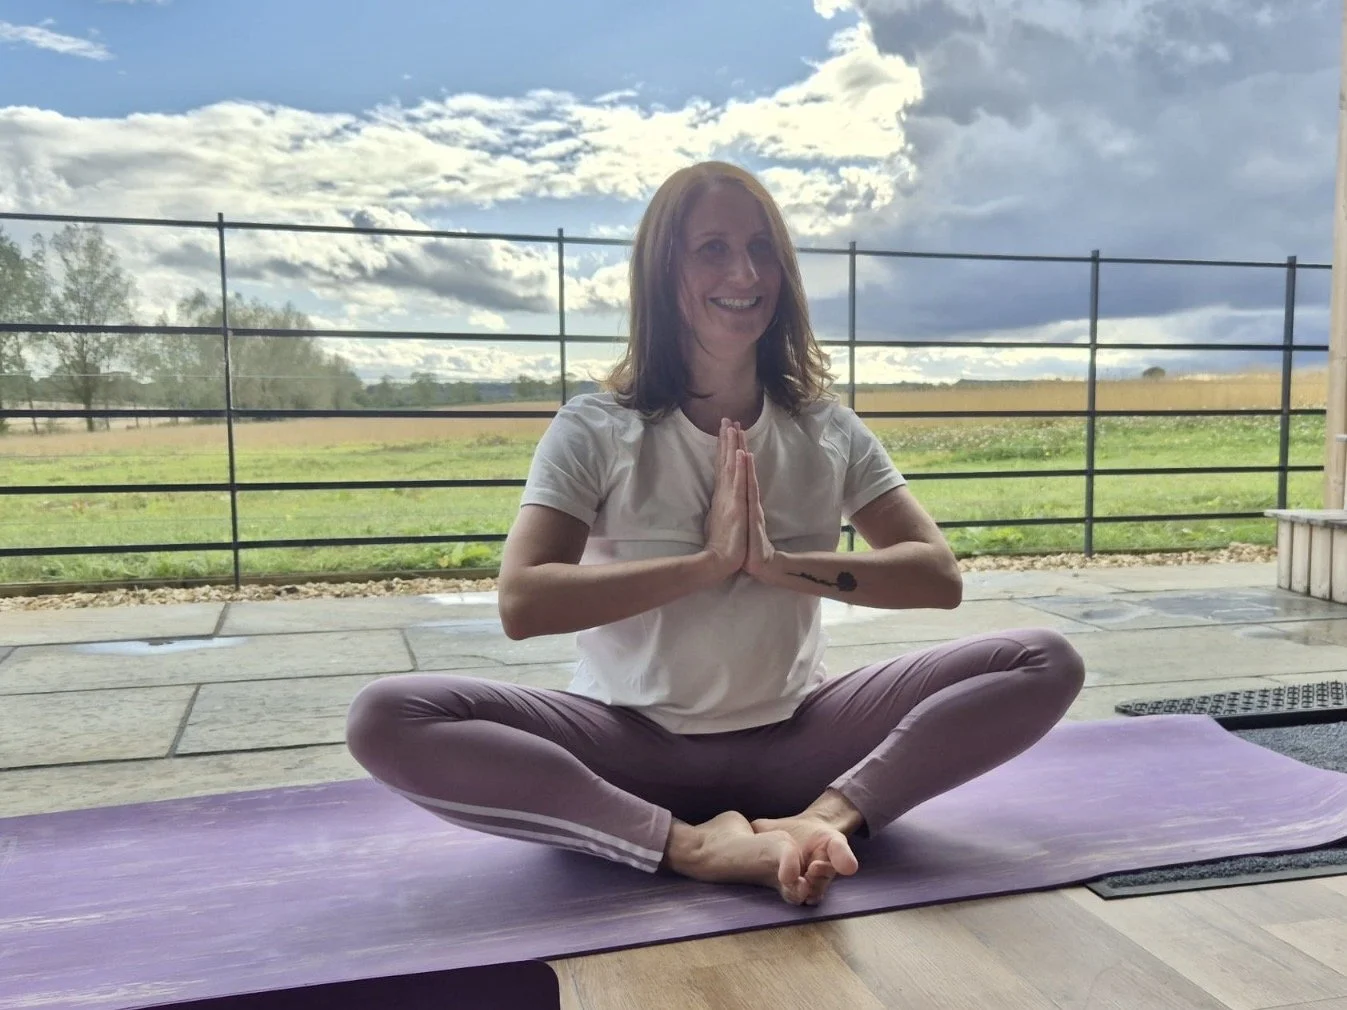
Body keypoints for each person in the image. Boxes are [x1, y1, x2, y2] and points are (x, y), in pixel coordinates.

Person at [346, 161, 1085, 907]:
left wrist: (776, 565)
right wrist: (706, 564)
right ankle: (691, 845)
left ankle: (815, 823)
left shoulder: (826, 427)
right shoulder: (595, 429)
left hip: (799, 741)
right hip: (628, 750)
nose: (744, 271)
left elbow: (936, 576)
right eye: (712, 248)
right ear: (662, 272)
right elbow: (523, 601)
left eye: (762, 248)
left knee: (1042, 660)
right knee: (387, 715)